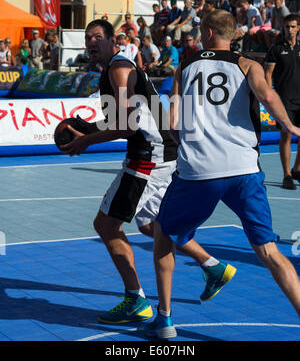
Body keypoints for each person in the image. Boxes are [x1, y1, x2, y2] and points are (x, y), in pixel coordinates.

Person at [60, 18, 235, 325]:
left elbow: (127, 127)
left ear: (112, 41)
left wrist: (85, 140)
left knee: (106, 225)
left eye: (97, 37)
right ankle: (213, 266)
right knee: (149, 225)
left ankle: (135, 299)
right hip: (160, 153)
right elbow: (128, 119)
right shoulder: (115, 69)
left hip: (148, 157)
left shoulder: (118, 69)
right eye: (88, 38)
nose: (91, 42)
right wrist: (90, 128)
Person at [145, 10, 300, 339]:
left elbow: (172, 124)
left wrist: (185, 142)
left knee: (163, 235)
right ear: (233, 35)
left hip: (199, 171)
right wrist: (290, 126)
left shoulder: (185, 67)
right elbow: (268, 96)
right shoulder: (248, 65)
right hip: (244, 169)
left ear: (208, 33)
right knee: (270, 251)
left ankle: (165, 320)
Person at [264, 13, 300, 190]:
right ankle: (287, 174)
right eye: (287, 27)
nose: (290, 30)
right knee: (286, 135)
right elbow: (268, 75)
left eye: (293, 26)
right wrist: (270, 96)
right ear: (283, 28)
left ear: (298, 28)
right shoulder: (276, 49)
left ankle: (297, 169)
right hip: (284, 99)